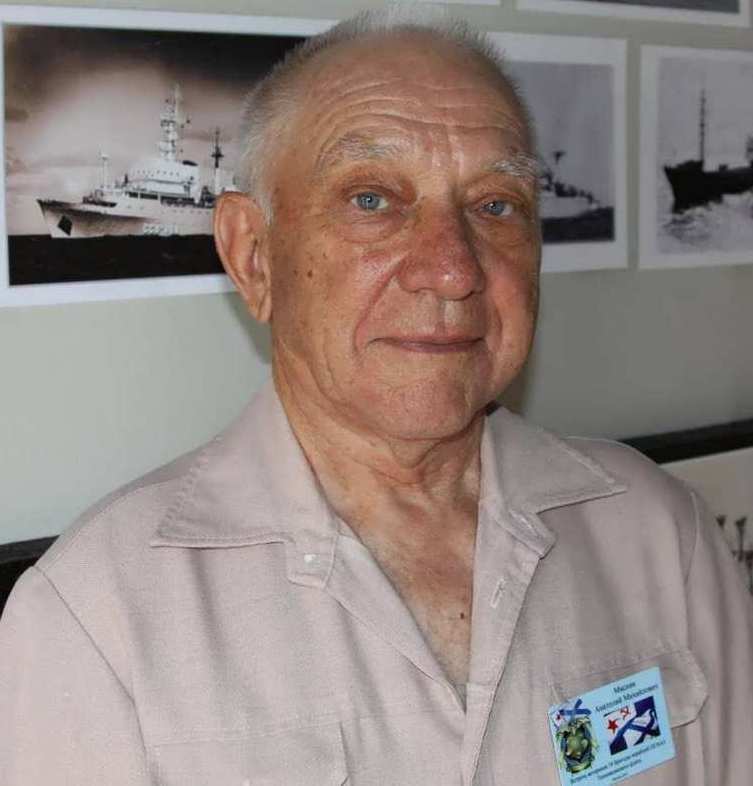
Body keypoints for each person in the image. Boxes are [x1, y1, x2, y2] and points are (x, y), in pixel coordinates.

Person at [1, 10, 751, 785]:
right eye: (371, 200)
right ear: (254, 257)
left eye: (494, 205)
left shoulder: (661, 539)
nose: (452, 269)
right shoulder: (98, 620)